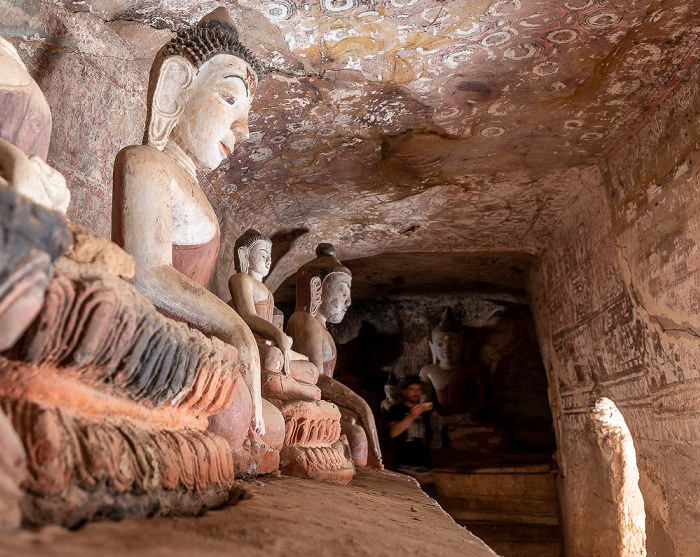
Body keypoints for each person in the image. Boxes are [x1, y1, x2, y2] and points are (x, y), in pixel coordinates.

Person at [388, 377, 432, 472]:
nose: (416, 392)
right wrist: (411, 416)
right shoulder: (396, 409)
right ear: (405, 392)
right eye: (412, 389)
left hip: (423, 464)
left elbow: (428, 438)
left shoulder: (425, 414)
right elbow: (393, 433)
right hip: (403, 464)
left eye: (419, 389)